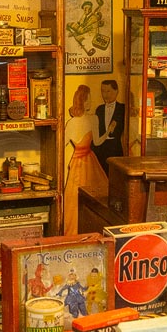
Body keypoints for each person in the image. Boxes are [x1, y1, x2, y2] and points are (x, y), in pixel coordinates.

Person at [63, 84, 107, 236]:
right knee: (89, 197)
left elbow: (61, 144)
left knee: (76, 198)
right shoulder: (92, 119)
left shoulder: (72, 123)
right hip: (87, 161)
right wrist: (108, 132)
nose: (90, 103)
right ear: (82, 101)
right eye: (88, 100)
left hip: (78, 162)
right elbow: (99, 142)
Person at [91, 79, 125, 173]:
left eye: (108, 91)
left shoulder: (122, 108)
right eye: (103, 91)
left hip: (115, 149)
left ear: (116, 91)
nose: (105, 95)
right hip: (100, 150)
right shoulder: (99, 109)